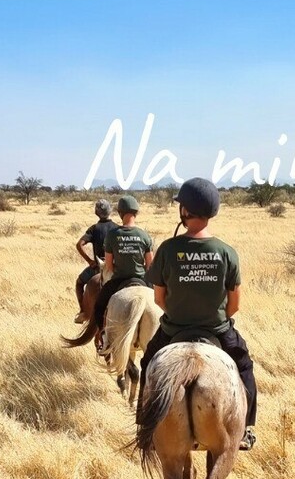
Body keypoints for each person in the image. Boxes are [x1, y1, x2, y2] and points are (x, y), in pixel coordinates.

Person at [142, 177, 257, 451]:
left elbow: (158, 298)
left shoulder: (168, 249)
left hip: (173, 329)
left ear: (185, 211)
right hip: (217, 330)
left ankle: (145, 428)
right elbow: (235, 305)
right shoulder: (227, 252)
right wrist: (214, 318)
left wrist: (180, 315)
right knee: (244, 367)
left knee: (148, 364)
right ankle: (247, 429)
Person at [90, 195, 153, 331]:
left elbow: (109, 265)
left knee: (99, 308)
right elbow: (149, 265)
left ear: (120, 213)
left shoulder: (112, 235)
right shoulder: (144, 235)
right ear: (136, 213)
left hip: (118, 281)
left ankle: (104, 337)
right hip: (141, 279)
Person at [74, 199, 117, 324]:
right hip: (114, 267)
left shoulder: (94, 229)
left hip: (98, 267)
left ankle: (83, 312)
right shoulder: (117, 228)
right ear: (111, 211)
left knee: (79, 283)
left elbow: (79, 245)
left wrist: (90, 261)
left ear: (96, 212)